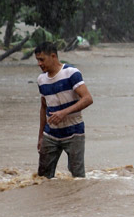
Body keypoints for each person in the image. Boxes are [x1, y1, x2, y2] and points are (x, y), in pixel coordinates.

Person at [35, 41, 93, 178]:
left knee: (77, 177)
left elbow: (87, 99)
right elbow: (43, 107)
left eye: (42, 59)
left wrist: (64, 112)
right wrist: (41, 136)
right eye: (37, 60)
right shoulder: (41, 80)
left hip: (74, 132)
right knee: (42, 178)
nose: (39, 64)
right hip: (51, 134)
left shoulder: (71, 73)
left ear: (53, 56)